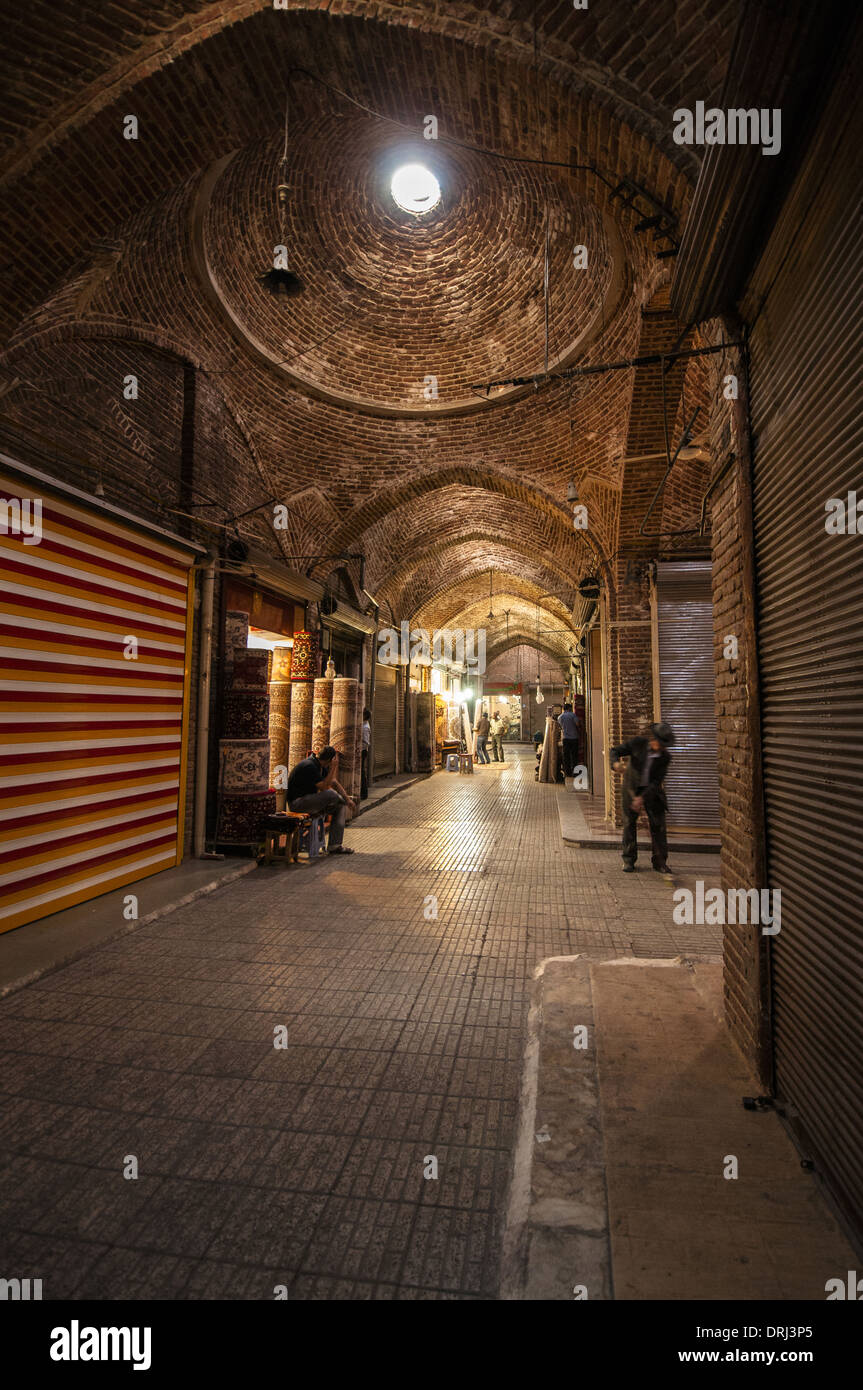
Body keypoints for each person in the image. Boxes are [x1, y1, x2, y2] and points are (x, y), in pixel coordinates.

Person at [609, 722, 676, 874]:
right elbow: (614, 751)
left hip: (652, 792)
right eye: (661, 743)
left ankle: (660, 862)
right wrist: (615, 764)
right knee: (629, 823)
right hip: (631, 789)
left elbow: (656, 781)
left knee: (658, 826)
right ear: (654, 740)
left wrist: (642, 797)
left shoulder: (665, 757)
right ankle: (629, 860)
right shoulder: (638, 744)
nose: (663, 747)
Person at [287, 745, 356, 854]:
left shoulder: (318, 765)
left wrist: (347, 800)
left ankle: (335, 845)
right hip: (298, 803)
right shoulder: (309, 766)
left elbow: (334, 782)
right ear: (330, 760)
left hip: (309, 802)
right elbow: (325, 787)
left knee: (340, 807)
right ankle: (338, 801)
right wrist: (333, 768)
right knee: (331, 794)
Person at [557, 702, 580, 777]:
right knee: (574, 756)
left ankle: (567, 773)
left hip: (565, 739)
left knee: (566, 756)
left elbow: (560, 726)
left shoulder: (560, 717)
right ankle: (575, 773)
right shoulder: (573, 715)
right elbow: (577, 724)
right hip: (574, 738)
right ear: (570, 708)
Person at [360, 707, 371, 800]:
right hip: (361, 751)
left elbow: (366, 742)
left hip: (362, 751)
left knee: (361, 771)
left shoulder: (365, 728)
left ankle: (364, 793)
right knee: (360, 771)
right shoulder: (363, 725)